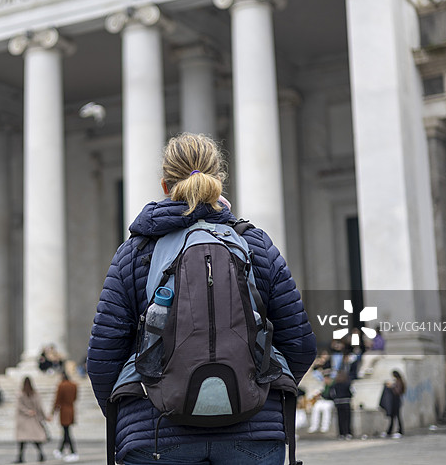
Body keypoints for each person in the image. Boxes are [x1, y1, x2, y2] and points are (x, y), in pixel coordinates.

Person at [87, 133, 317, 465]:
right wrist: (254, 389)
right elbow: (300, 345)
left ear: (165, 185)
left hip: (155, 434)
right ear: (218, 180)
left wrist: (132, 411)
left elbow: (102, 357)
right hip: (253, 433)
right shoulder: (256, 244)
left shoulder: (134, 253)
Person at [15, 376, 49, 463]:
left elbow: (19, 406)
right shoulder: (35, 394)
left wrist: (27, 411)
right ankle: (41, 455)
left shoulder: (21, 394)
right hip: (33, 419)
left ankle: (20, 457)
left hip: (24, 420)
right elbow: (39, 407)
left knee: (23, 440)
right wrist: (44, 417)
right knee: (35, 439)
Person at [52, 372, 79, 462]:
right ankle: (60, 450)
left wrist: (53, 411)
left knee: (66, 432)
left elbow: (58, 399)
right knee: (66, 431)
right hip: (71, 409)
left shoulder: (61, 385)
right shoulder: (74, 385)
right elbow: (75, 398)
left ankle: (73, 451)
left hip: (64, 410)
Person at [380, 370, 406, 438]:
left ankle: (399, 430)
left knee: (397, 417)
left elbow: (397, 391)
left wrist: (391, 387)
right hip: (395, 402)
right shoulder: (398, 381)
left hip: (396, 402)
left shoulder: (399, 382)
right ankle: (390, 431)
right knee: (393, 417)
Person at [328, 371, 353, 439]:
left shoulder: (334, 385)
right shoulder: (348, 384)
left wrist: (335, 399)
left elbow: (332, 394)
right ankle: (348, 433)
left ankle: (341, 433)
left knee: (340, 419)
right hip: (346, 402)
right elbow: (352, 392)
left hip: (338, 402)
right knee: (347, 418)